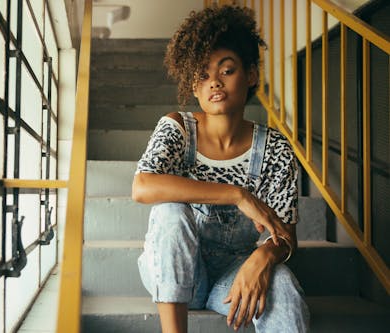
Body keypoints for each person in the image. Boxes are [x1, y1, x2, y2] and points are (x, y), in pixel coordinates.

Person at [132, 5, 309, 333]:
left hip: (233, 273)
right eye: (202, 74)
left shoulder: (275, 149)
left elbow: (286, 236)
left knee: (283, 283)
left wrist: (265, 256)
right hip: (173, 268)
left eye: (227, 70)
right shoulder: (178, 128)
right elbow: (142, 186)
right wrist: (236, 195)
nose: (214, 81)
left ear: (251, 74)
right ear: (194, 87)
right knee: (170, 211)